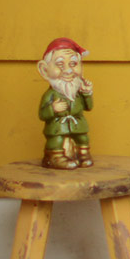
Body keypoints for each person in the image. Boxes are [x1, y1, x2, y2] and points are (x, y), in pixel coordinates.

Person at [37, 37, 95, 169]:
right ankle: (54, 157)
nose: (68, 70)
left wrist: (87, 94)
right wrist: (52, 108)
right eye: (60, 65)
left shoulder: (78, 91)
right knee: (56, 140)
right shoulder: (50, 94)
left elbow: (89, 107)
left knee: (83, 138)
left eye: (73, 64)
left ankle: (83, 154)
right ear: (45, 70)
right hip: (57, 128)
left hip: (77, 124)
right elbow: (42, 114)